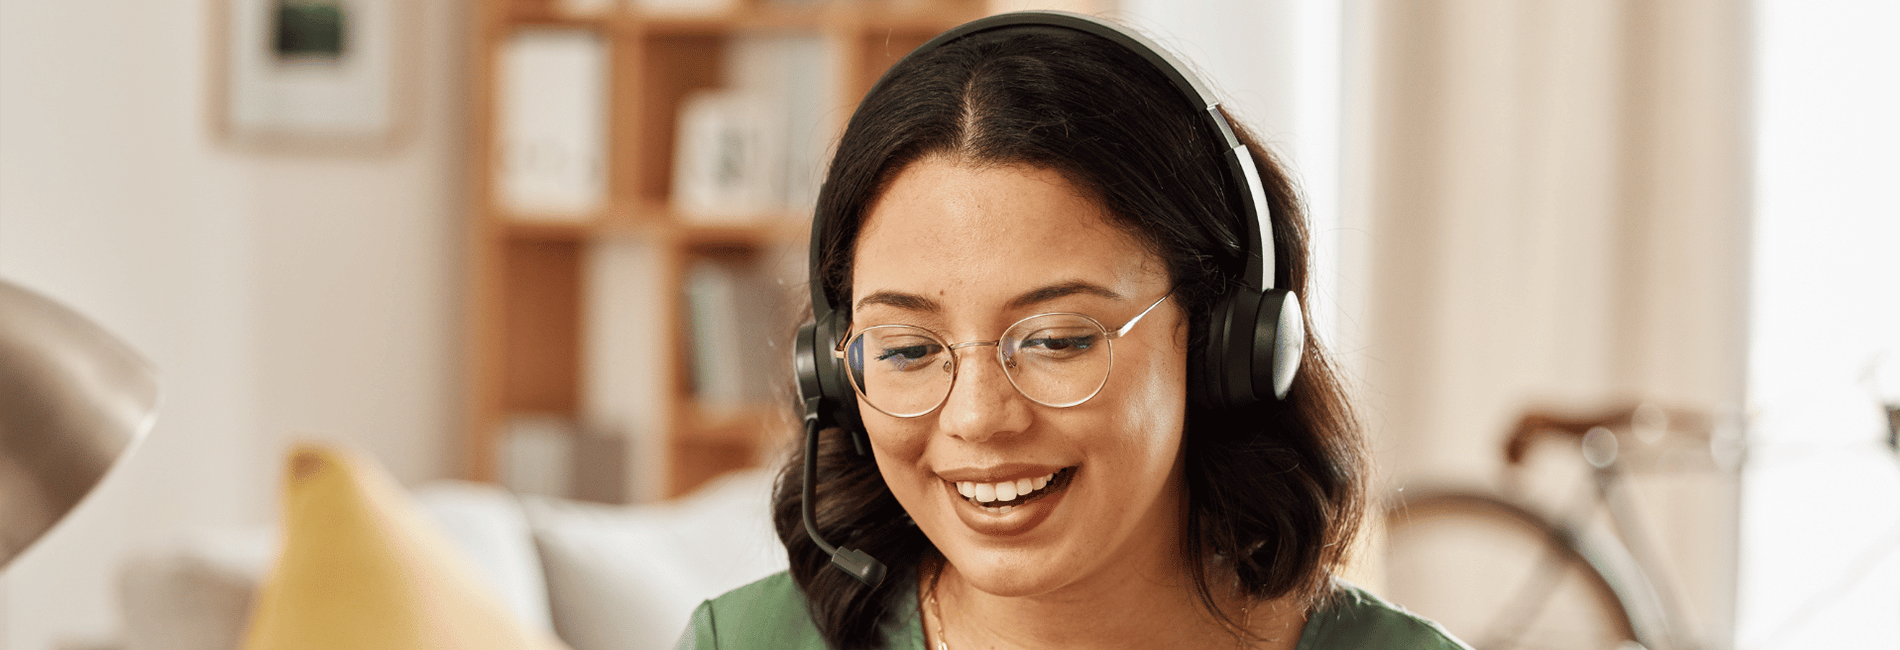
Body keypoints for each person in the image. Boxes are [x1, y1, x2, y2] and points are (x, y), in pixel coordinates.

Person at [678, 11, 1468, 650]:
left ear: (1225, 343)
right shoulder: (744, 641)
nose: (979, 418)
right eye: (910, 350)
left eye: (1057, 340)